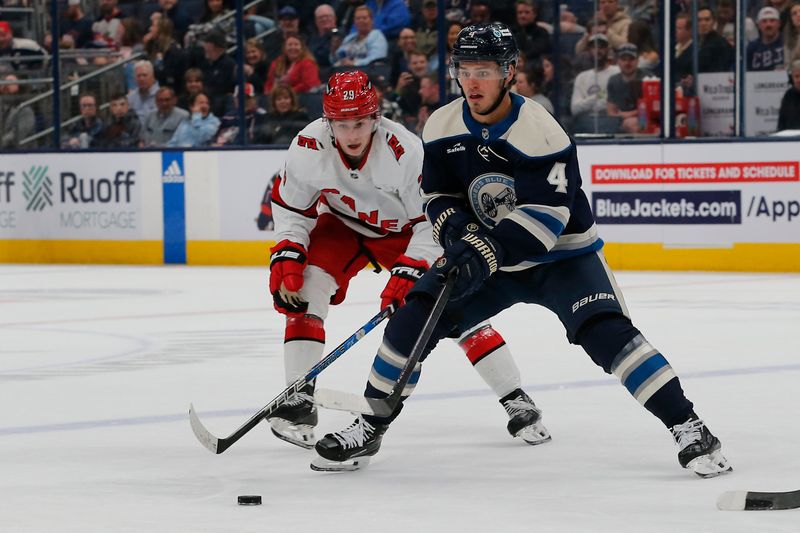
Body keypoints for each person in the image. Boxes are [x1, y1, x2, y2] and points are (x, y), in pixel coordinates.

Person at [313, 23, 732, 480]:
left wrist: (480, 251)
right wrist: (457, 233)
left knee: (606, 334)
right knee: (416, 315)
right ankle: (371, 424)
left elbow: (545, 222)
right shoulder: (441, 124)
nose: (472, 82)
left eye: (485, 70)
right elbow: (436, 197)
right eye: (465, 70)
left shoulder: (541, 132)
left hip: (563, 258)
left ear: (509, 72)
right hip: (488, 255)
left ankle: (689, 426)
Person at [264, 70, 550, 450]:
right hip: (344, 227)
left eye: (361, 123)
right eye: (342, 124)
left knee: (452, 310)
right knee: (305, 288)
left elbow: (430, 221)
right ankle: (298, 397)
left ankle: (514, 396)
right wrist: (287, 253)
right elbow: (291, 208)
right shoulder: (306, 147)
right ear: (327, 122)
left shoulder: (405, 151)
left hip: (409, 234)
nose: (352, 135)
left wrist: (409, 272)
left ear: (376, 118)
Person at [606, 43, 646, 133]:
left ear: (637, 60)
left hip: (644, 120)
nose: (627, 63)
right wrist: (620, 117)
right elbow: (611, 111)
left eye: (631, 59)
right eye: (623, 59)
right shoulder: (613, 81)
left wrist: (628, 115)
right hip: (619, 122)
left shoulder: (647, 79)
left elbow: (650, 108)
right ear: (617, 61)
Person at [0, 74, 35, 149]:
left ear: (19, 86)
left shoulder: (25, 110)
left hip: (20, 152)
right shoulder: (4, 107)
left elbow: (16, 135)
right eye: (4, 82)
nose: (6, 85)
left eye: (10, 82)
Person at [747, 7, 786, 71]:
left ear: (779, 24)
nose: (768, 24)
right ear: (758, 25)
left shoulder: (788, 42)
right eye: (764, 21)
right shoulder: (752, 47)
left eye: (772, 20)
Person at [777, 59, 800, 130]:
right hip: (790, 139)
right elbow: (781, 122)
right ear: (792, 78)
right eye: (796, 76)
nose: (799, 80)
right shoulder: (788, 95)